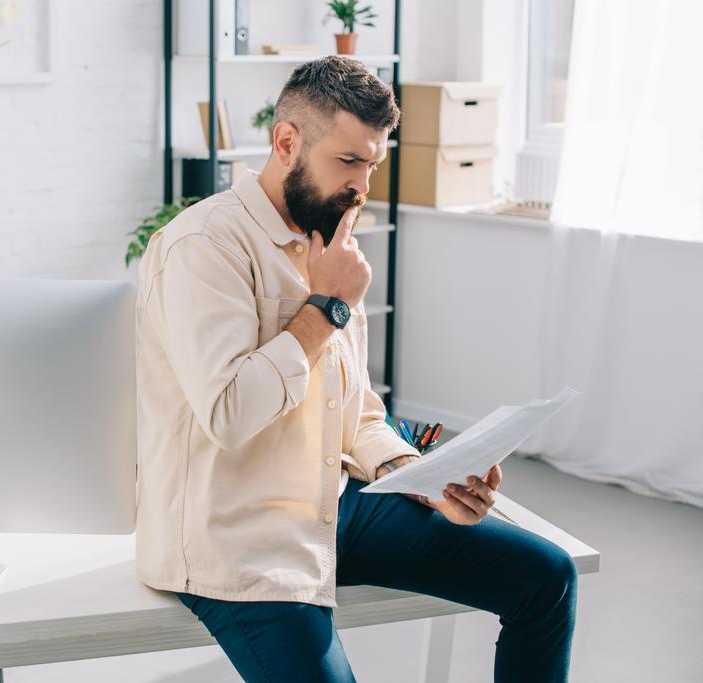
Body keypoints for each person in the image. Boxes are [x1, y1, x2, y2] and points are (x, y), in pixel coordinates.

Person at [134, 56, 577, 682]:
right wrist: (327, 308)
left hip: (336, 504)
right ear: (287, 143)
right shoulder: (202, 246)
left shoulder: (333, 246)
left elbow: (357, 410)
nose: (363, 186)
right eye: (347, 162)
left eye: (372, 164)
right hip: (238, 536)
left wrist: (421, 476)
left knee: (546, 577)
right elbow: (229, 415)